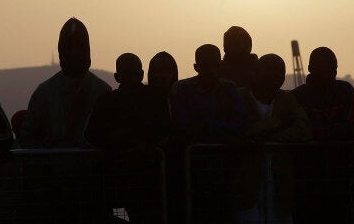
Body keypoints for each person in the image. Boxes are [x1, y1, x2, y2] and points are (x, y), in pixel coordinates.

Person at [86, 53, 170, 223]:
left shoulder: (155, 98)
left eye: (134, 74)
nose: (132, 79)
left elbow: (166, 131)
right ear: (118, 77)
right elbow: (93, 135)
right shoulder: (107, 102)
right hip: (118, 175)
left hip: (144, 176)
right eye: (127, 74)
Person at [171, 44, 249, 224]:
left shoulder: (229, 88)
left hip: (225, 170)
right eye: (206, 66)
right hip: (193, 170)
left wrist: (207, 126)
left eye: (214, 65)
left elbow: (240, 124)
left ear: (220, 66)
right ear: (196, 67)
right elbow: (183, 126)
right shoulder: (183, 89)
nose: (211, 71)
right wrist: (222, 131)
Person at [238, 54, 311, 224]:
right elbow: (236, 130)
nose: (276, 76)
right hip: (247, 185)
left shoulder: (286, 99)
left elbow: (304, 129)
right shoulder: (240, 97)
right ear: (256, 72)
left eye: (280, 72)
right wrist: (275, 125)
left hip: (280, 187)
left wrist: (271, 135)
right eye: (270, 71)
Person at [18, 17, 111, 148]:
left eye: (79, 47)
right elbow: (28, 137)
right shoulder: (44, 93)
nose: (74, 53)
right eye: (69, 47)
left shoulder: (103, 92)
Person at [292, 47, 354, 140]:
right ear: (310, 68)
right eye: (322, 67)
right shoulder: (297, 96)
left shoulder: (346, 90)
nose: (327, 71)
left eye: (332, 67)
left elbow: (351, 125)